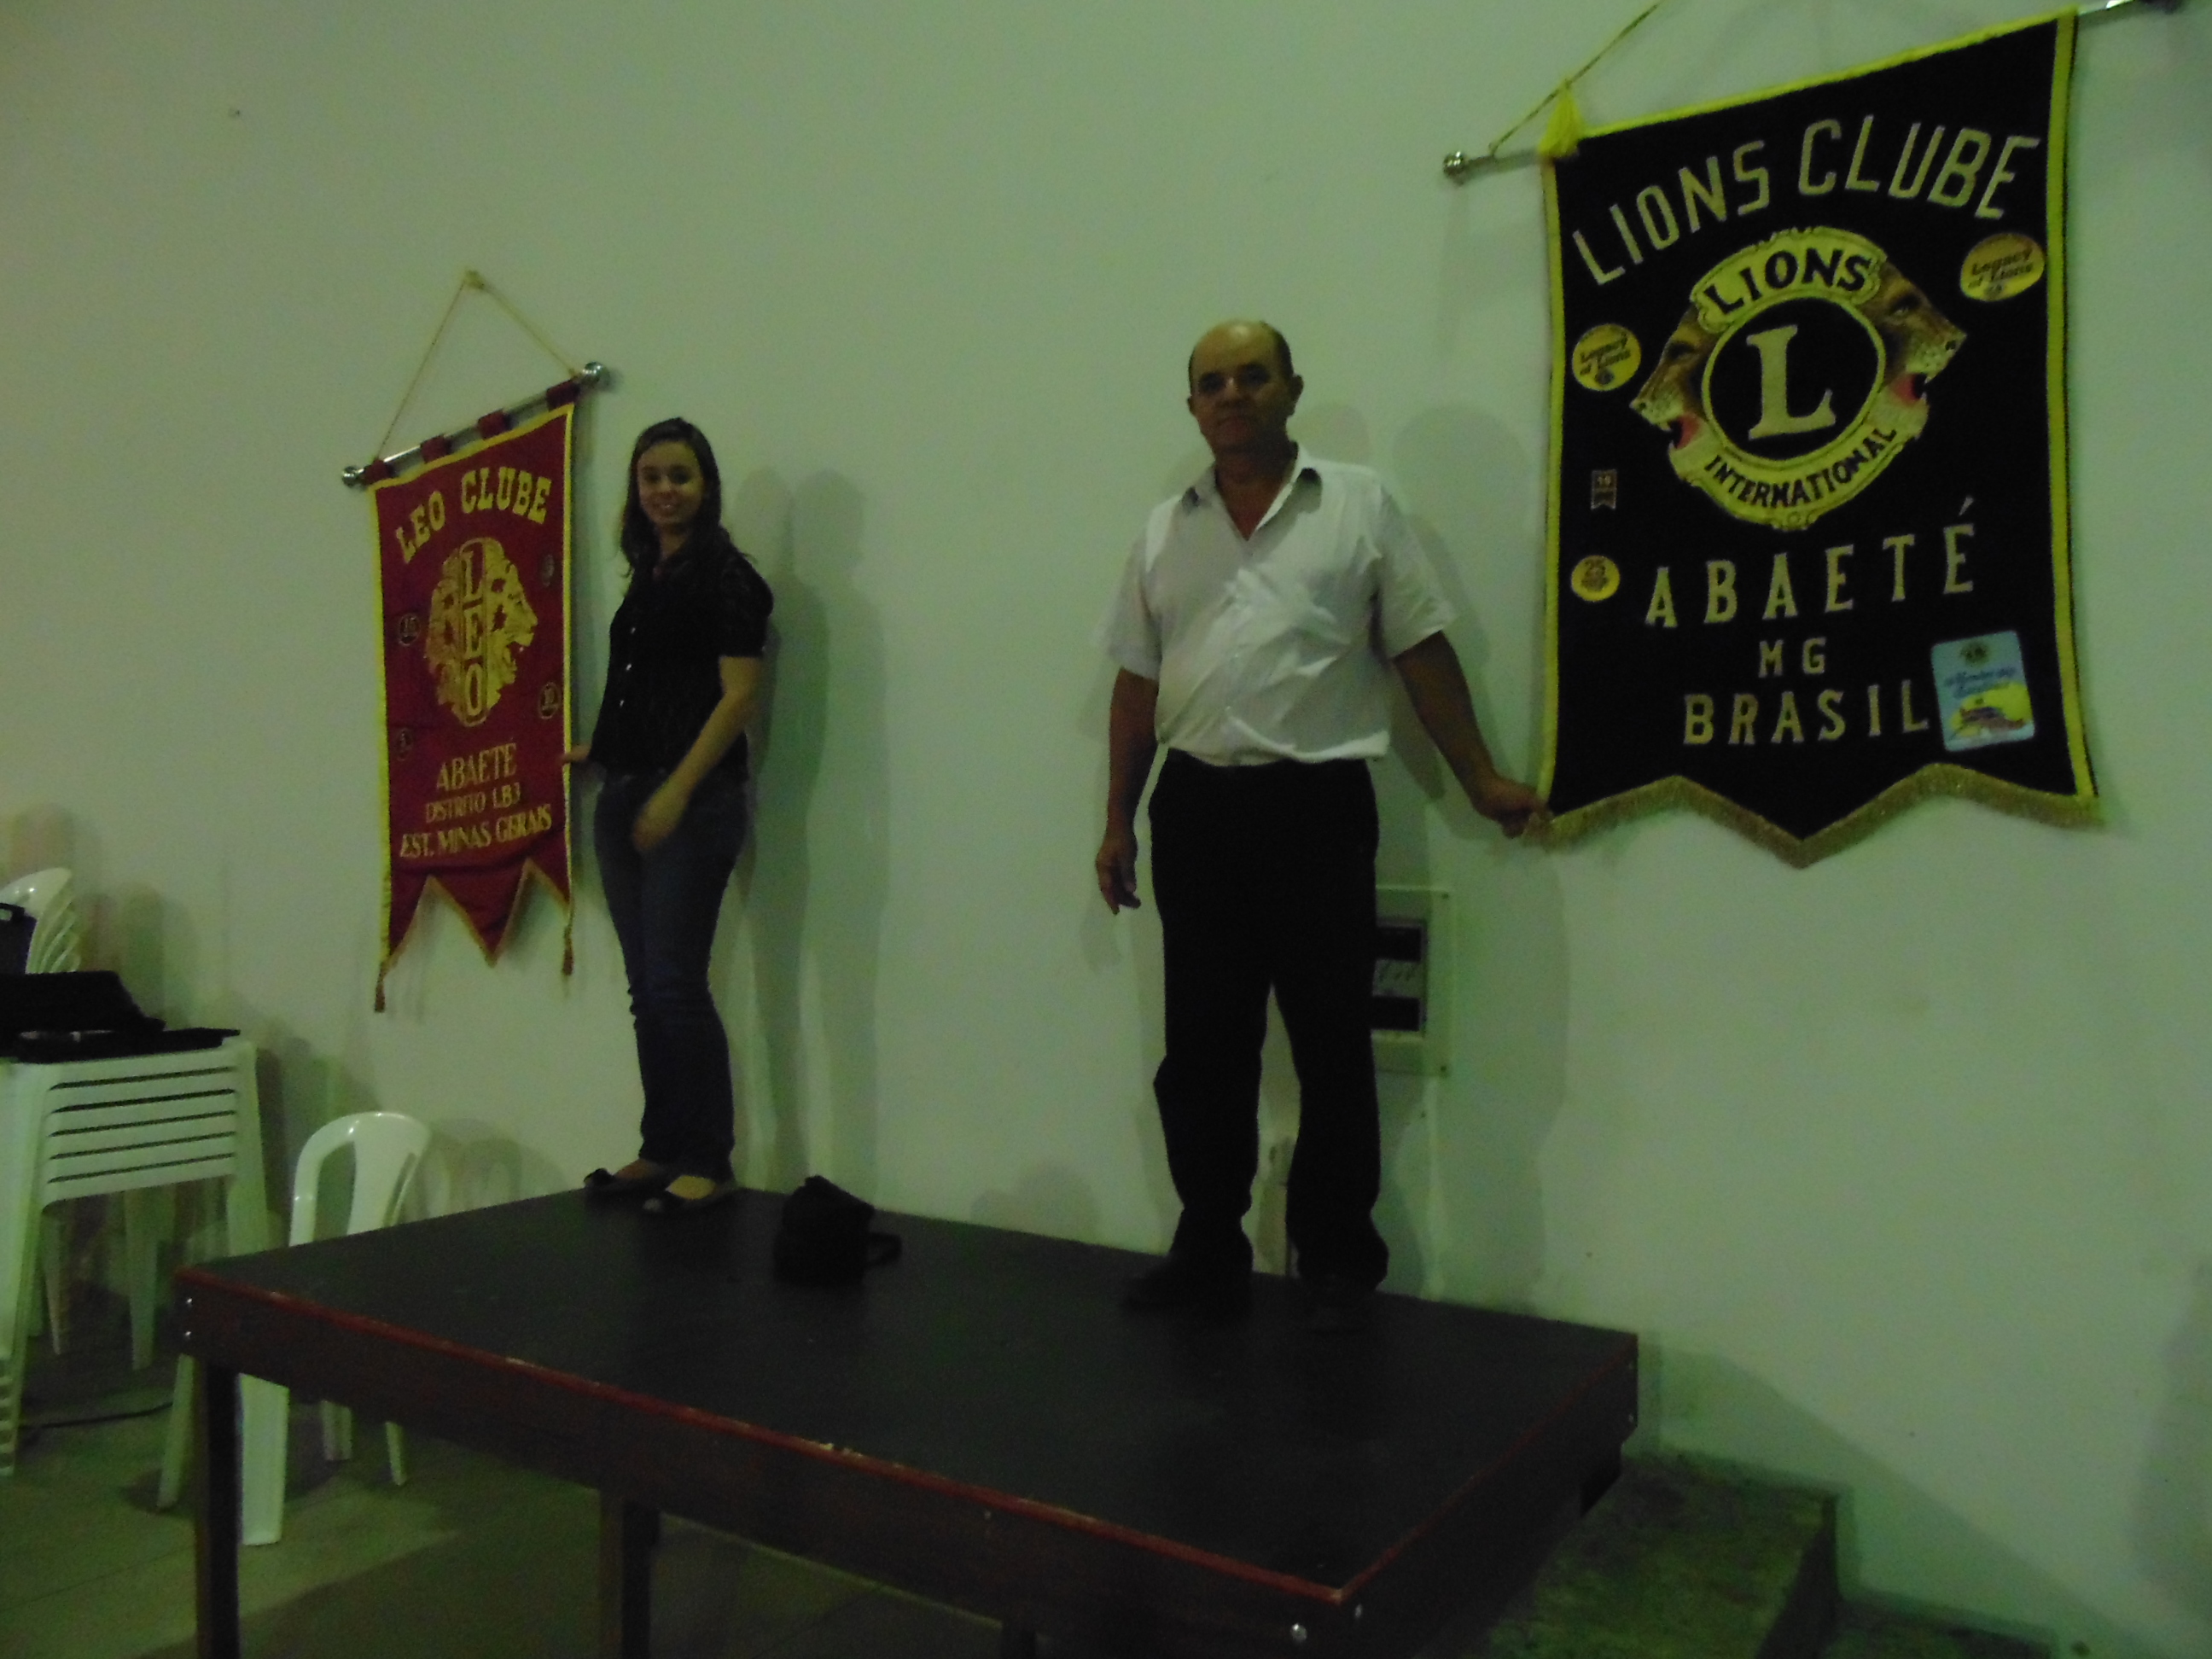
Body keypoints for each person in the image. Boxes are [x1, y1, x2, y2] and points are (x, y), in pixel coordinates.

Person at [1096, 321, 1542, 1330]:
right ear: (1192, 406)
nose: (1232, 394)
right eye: (1212, 382)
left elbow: (1421, 648)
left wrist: (1480, 778)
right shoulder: (1163, 530)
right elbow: (1135, 685)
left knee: (1333, 1041)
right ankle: (1208, 1245)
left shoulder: (1359, 505)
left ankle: (1338, 1260)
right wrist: (1117, 821)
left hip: (1317, 810)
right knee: (1202, 1046)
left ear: (1291, 389)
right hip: (1197, 808)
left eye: (1252, 376)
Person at [570, 417, 772, 1215]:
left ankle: (708, 1159)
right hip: (626, 789)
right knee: (645, 989)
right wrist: (600, 751)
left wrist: (678, 790)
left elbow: (738, 698)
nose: (664, 490)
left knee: (676, 983)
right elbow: (651, 684)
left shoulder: (729, 579)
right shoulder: (648, 573)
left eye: (680, 476)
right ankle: (661, 1146)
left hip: (692, 799)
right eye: (651, 476)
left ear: (706, 486)